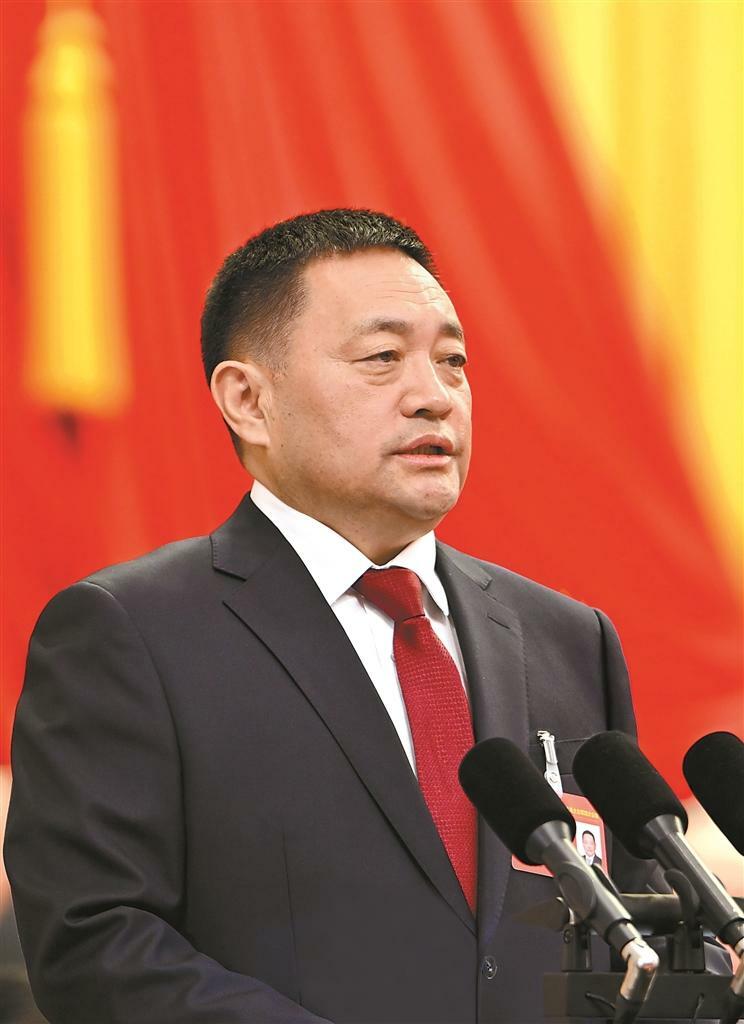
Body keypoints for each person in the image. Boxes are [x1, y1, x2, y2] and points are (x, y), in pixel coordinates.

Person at [5, 209, 659, 1024]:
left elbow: (637, 926)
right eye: (383, 358)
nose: (435, 397)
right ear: (248, 400)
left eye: (453, 361)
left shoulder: (568, 639)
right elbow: (96, 946)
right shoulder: (130, 633)